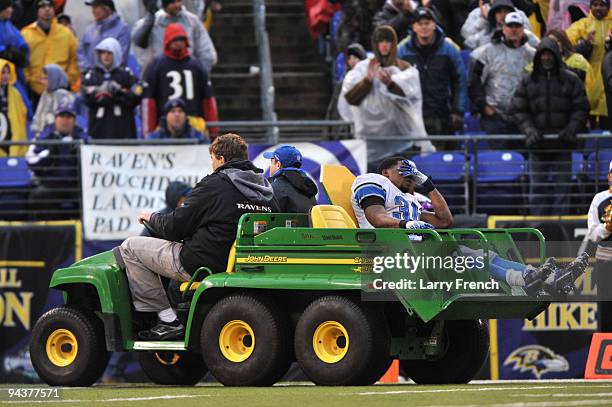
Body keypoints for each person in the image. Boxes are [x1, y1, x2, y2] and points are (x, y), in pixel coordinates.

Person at [117, 133, 280, 340]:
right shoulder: (266, 190)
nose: (212, 164)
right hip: (244, 265)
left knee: (130, 247)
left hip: (202, 263)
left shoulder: (214, 184)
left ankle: (167, 321)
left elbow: (174, 227)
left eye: (212, 158)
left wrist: (151, 217)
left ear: (221, 159)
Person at [351, 156, 590, 296]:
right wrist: (407, 223)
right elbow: (377, 218)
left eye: (413, 172)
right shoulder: (374, 181)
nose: (410, 175)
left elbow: (445, 221)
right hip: (389, 252)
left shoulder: (411, 199)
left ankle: (547, 280)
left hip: (416, 250)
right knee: (474, 257)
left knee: (486, 254)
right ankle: (533, 279)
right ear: (385, 172)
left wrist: (428, 183)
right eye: (404, 170)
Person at [511, 38, 589, 215]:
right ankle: (538, 227)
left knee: (563, 190)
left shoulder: (571, 80)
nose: (546, 58)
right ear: (538, 57)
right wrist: (529, 130)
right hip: (537, 146)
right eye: (543, 54)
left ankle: (560, 232)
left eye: (550, 54)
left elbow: (581, 108)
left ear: (557, 56)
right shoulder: (527, 81)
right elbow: (517, 109)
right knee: (537, 190)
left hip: (563, 144)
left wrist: (572, 128)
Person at [342, 25, 436, 153]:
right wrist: (367, 82)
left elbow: (412, 97)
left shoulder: (404, 68)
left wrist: (391, 84)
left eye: (388, 41)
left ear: (394, 44)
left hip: (401, 140)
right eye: (380, 41)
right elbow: (350, 98)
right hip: (370, 141)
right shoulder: (363, 68)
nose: (384, 45)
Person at [397, 8, 467, 149]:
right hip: (412, 117)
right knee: (412, 164)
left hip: (442, 116)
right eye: (420, 23)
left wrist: (458, 110)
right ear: (414, 27)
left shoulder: (449, 49)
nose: (423, 27)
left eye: (427, 23)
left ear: (434, 25)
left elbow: (460, 80)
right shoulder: (402, 51)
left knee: (439, 163)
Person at [469, 12, 536, 149]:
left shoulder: (533, 55)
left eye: (517, 26)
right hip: (495, 117)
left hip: (524, 118)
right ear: (503, 28)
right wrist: (484, 107)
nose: (513, 29)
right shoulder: (486, 52)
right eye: (510, 25)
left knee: (522, 162)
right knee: (498, 160)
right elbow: (474, 83)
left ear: (523, 28)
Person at [141, 23, 218, 139]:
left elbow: (208, 100)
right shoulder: (156, 66)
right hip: (165, 126)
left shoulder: (196, 65)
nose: (178, 42)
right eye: (175, 39)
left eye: (181, 39)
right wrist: (148, 132)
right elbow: (149, 102)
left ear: (186, 41)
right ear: (167, 41)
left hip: (195, 124)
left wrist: (213, 132)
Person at [25, 103, 86, 219]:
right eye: (62, 116)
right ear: (55, 119)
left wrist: (79, 154)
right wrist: (49, 153)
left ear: (74, 120)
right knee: (38, 195)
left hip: (77, 185)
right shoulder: (44, 137)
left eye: (69, 117)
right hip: (51, 184)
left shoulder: (82, 137)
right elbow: (31, 161)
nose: (65, 120)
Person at [132, 0, 217, 74]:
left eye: (179, 1)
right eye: (172, 2)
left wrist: (199, 75)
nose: (177, 5)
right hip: (160, 77)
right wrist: (150, 18)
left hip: (187, 75)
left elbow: (206, 53)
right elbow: (138, 43)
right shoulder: (153, 22)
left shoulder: (192, 21)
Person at [20, 0, 79, 107]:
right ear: (37, 11)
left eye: (50, 6)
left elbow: (75, 58)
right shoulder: (26, 34)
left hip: (61, 90)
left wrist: (69, 79)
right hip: (35, 91)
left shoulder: (66, 33)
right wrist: (29, 80)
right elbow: (22, 61)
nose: (47, 9)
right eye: (42, 7)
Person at [82, 37, 142, 140]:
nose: (106, 56)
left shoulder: (126, 74)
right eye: (103, 52)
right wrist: (101, 94)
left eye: (109, 53)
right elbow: (85, 96)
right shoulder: (92, 75)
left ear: (116, 53)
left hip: (123, 129)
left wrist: (118, 93)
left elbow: (137, 93)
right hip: (98, 129)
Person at [565, 0, 612, 128]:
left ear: (608, 7)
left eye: (602, 5)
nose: (598, 8)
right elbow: (565, 44)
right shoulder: (583, 25)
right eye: (595, 5)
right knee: (587, 115)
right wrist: (584, 44)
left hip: (608, 77)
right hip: (588, 79)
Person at [587, 160, 612, 331]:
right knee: (607, 315)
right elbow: (593, 235)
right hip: (606, 265)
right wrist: (607, 227)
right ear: (610, 176)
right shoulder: (600, 199)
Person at [77, 0, 130, 72]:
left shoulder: (122, 29)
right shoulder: (90, 29)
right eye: (92, 8)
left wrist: (102, 73)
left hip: (114, 78)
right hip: (90, 78)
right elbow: (80, 52)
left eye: (95, 7)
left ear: (107, 9)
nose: (92, 11)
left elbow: (121, 56)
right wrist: (88, 70)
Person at [461, 0, 538, 49]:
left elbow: (531, 41)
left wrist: (512, 25)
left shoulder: (519, 14)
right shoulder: (477, 13)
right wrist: (486, 20)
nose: (503, 15)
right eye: (499, 12)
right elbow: (467, 40)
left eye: (505, 11)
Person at [264, 145, 318, 213]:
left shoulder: (272, 190)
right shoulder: (308, 189)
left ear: (278, 164)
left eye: (271, 162)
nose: (270, 166)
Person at [30, 64, 75, 138]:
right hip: (42, 137)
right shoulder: (46, 94)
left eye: (46, 78)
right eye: (42, 78)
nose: (42, 82)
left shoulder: (62, 95)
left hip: (55, 139)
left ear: (54, 78)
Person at [0, 58, 31, 157]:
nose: (5, 76)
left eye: (8, 73)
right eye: (3, 72)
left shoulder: (15, 93)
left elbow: (23, 115)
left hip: (12, 137)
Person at [0, 0, 29, 87]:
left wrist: (22, 53)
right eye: (9, 7)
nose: (11, 10)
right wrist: (4, 52)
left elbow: (21, 42)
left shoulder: (8, 24)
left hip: (14, 70)